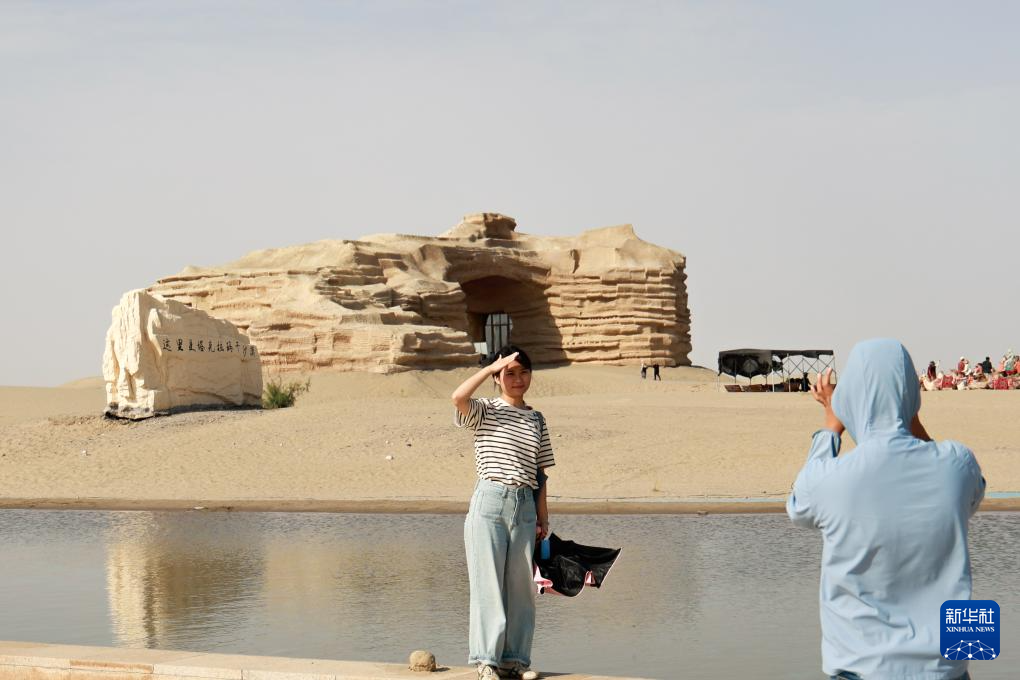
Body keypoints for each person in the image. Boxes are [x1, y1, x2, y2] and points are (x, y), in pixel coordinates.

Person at [787, 339, 985, 680]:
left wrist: (831, 426)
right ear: (913, 396)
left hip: (861, 668)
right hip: (949, 668)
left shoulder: (829, 480)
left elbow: (798, 507)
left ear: (851, 398)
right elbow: (973, 493)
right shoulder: (957, 464)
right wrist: (909, 419)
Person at [452, 345, 553, 680]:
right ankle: (487, 662)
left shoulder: (537, 419)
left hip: (525, 506)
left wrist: (543, 518)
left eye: (523, 372)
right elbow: (458, 397)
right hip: (490, 503)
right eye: (509, 373)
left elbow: (540, 473)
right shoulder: (485, 410)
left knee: (522, 589)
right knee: (488, 586)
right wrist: (489, 367)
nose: (518, 379)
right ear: (497, 378)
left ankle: (515, 661)